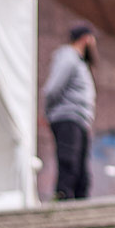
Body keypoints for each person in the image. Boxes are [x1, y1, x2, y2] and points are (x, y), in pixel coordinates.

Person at [43, 24, 96, 201]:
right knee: (69, 162)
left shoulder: (79, 62)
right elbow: (52, 89)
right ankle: (63, 199)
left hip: (79, 119)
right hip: (67, 117)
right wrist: (48, 112)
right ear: (86, 39)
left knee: (80, 168)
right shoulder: (68, 57)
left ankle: (78, 203)